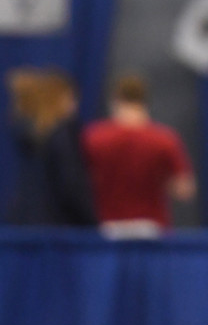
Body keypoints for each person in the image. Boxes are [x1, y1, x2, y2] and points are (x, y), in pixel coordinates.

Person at [82, 74, 196, 237]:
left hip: (107, 228)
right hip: (151, 228)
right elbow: (184, 189)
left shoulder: (94, 138)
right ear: (145, 100)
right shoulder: (164, 139)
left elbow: (78, 182)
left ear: (115, 100)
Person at [4, 67, 96, 226]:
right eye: (72, 98)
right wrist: (93, 224)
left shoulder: (32, 136)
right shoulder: (62, 136)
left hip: (24, 228)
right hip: (57, 235)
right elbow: (71, 187)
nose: (75, 106)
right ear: (59, 100)